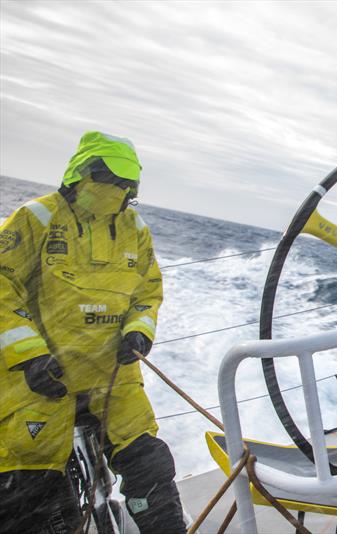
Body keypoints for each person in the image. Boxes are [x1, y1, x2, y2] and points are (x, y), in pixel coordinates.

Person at [0, 132, 186, 533]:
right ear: (82, 175)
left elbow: (147, 290)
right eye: (109, 180)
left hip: (112, 380)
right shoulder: (37, 218)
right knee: (31, 494)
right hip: (40, 383)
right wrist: (29, 355)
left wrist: (139, 331)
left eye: (123, 184)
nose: (116, 190)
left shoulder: (135, 228)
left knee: (149, 463)